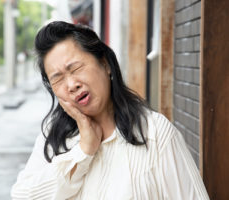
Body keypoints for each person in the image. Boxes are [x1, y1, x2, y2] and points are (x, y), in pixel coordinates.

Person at [11, 21, 209, 200]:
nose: (71, 84)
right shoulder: (54, 137)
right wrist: (83, 151)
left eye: (76, 68)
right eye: (58, 78)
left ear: (105, 64)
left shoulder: (155, 133)